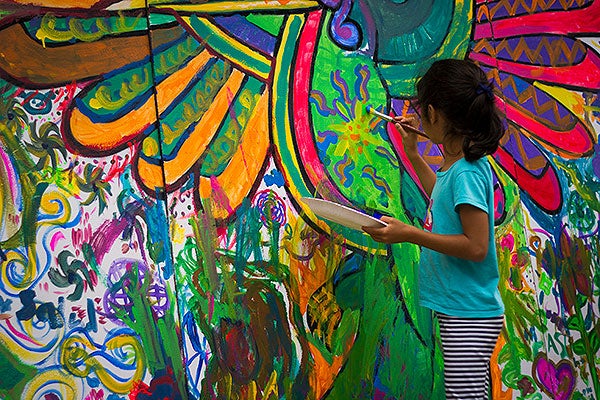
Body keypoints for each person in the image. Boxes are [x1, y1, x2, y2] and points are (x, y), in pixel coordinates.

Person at [362, 58, 505, 399]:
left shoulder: (467, 171)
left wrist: (410, 234)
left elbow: (476, 246)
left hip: (468, 312)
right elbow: (440, 200)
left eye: (421, 111)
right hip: (462, 308)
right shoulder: (457, 165)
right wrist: (411, 152)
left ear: (433, 114)